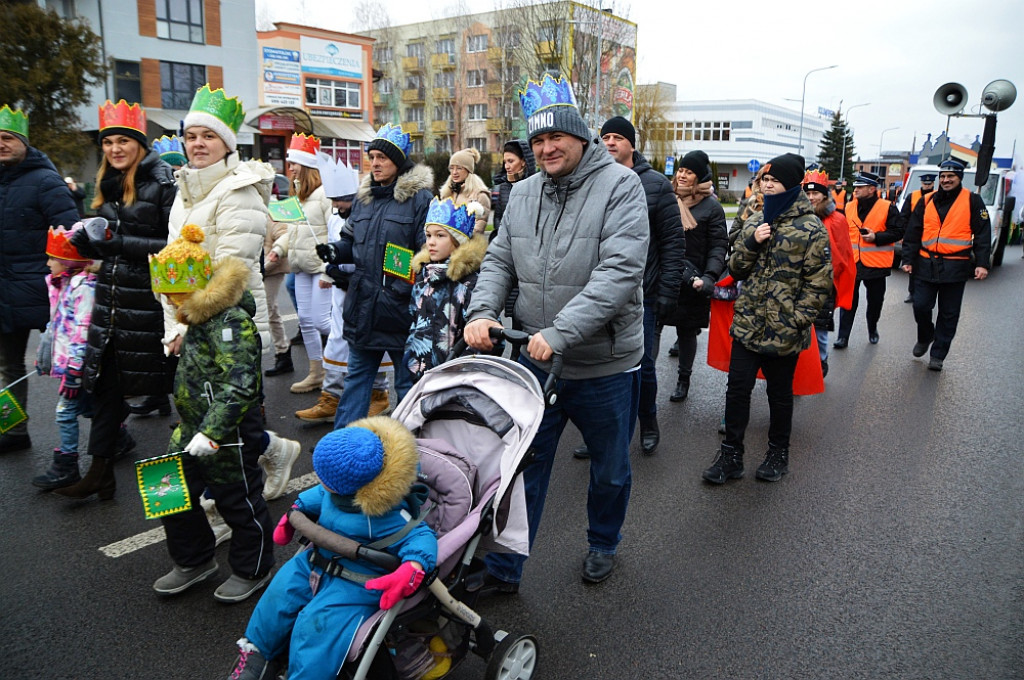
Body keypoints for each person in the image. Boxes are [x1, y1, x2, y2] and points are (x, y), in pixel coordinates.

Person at [463, 73, 648, 587]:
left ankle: (603, 542)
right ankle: (504, 567)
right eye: (537, 141)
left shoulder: (621, 186)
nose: (545, 148)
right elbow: (499, 259)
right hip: (535, 362)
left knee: (609, 468)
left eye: (555, 139)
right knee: (523, 467)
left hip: (602, 362)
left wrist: (562, 331)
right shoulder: (521, 194)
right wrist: (481, 312)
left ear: (581, 138)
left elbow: (620, 271)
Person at [163, 85, 299, 501]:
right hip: (189, 323)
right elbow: (173, 268)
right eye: (192, 136)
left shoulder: (238, 190)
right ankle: (273, 451)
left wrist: (187, 323)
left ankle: (233, 511)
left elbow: (229, 273)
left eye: (209, 136)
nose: (198, 144)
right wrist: (172, 324)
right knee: (208, 417)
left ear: (226, 143)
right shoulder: (184, 191)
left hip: (227, 328)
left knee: (224, 421)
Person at [225, 419, 437, 680]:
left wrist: (413, 566)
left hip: (357, 581)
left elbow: (419, 535)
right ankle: (257, 655)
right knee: (278, 595)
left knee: (316, 627)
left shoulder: (389, 514)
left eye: (324, 479)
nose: (320, 482)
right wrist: (296, 512)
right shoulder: (338, 490)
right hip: (316, 560)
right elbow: (318, 496)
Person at [149, 225, 275, 603]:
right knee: (165, 489)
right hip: (190, 425)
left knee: (237, 499)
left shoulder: (231, 323)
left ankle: (254, 568)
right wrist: (182, 337)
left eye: (175, 295)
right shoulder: (198, 318)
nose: (171, 303)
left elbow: (239, 384)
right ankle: (194, 559)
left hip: (226, 429)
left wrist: (213, 432)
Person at [57, 100, 175, 499]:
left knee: (177, 388)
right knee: (106, 389)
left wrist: (116, 244)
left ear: (139, 144)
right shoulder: (107, 183)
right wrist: (85, 244)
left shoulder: (162, 181)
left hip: (150, 304)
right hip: (111, 304)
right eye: (108, 142)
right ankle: (99, 471)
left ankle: (212, 477)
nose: (114, 149)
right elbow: (110, 241)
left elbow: (173, 246)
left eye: (123, 140)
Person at [702, 153, 831, 485]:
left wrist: (796, 320)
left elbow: (819, 281)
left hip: (784, 329)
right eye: (764, 180)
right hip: (748, 323)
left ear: (790, 184)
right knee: (737, 389)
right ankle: (731, 455)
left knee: (779, 394)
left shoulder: (810, 226)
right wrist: (751, 241)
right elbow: (738, 267)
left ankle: (778, 454)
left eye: (774, 180)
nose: (767, 184)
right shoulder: (756, 217)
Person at [316, 123, 434, 430]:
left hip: (400, 311)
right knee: (356, 380)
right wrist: (335, 252)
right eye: (372, 156)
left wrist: (398, 290)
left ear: (398, 162)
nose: (375, 163)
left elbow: (427, 252)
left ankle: (415, 456)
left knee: (407, 387)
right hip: (363, 306)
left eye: (382, 157)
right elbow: (351, 240)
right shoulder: (363, 197)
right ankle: (341, 447)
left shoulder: (419, 199)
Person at [583, 115, 684, 456]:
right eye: (605, 137)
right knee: (597, 364)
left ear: (632, 144)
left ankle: (649, 422)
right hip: (598, 292)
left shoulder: (655, 184)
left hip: (645, 294)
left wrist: (668, 290)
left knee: (644, 366)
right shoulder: (591, 181)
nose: (610, 142)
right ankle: (600, 434)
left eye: (617, 137)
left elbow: (672, 243)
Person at [0, 104, 80, 453]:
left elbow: (71, 234)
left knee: (70, 365)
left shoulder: (46, 180)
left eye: (7, 138)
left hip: (46, 290)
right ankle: (14, 431)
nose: (1, 144)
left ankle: (109, 433)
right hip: (5, 291)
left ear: (23, 141)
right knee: (9, 365)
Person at [295, 154, 394, 423]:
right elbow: (337, 245)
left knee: (374, 345)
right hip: (342, 294)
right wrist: (331, 264)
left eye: (342, 200)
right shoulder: (335, 217)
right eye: (334, 201)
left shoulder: (371, 215)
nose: (337, 206)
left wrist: (353, 275)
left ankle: (378, 395)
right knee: (338, 343)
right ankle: (332, 397)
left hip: (367, 292)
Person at [901, 158, 990, 371]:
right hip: (925, 263)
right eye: (943, 176)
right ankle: (925, 335)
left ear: (959, 178)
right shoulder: (927, 200)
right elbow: (913, 232)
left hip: (956, 265)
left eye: (950, 176)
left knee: (949, 313)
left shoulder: (973, 201)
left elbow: (983, 234)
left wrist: (982, 263)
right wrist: (907, 259)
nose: (946, 180)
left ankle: (938, 355)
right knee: (921, 305)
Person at [31, 226, 98, 489]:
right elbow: (56, 326)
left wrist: (73, 370)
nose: (48, 264)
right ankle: (118, 437)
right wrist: (46, 356)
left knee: (65, 412)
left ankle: (67, 464)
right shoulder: (62, 284)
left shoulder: (84, 289)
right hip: (72, 363)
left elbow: (82, 331)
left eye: (52, 258)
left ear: (69, 262)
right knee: (91, 408)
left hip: (77, 365)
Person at [665, 149, 728, 404]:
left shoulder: (711, 207)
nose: (682, 175)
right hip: (665, 276)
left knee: (687, 332)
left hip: (694, 281)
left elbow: (718, 246)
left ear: (699, 177)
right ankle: (646, 379)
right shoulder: (667, 199)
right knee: (652, 328)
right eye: (681, 169)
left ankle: (684, 379)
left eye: (689, 172)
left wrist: (710, 276)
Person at [404, 197, 487, 381]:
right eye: (428, 235)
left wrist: (463, 368)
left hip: (457, 379)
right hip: (421, 374)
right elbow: (414, 318)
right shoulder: (423, 277)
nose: (431, 242)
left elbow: (486, 336)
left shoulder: (470, 284)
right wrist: (411, 354)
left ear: (457, 242)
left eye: (440, 235)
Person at [279, 133, 333, 395]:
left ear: (307, 165)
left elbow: (335, 235)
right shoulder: (296, 194)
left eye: (293, 164)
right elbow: (293, 232)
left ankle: (343, 366)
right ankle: (316, 373)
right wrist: (278, 250)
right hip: (300, 267)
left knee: (323, 322)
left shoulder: (324, 195)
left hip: (320, 269)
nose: (289, 169)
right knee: (306, 320)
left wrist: (329, 271)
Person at [834, 171, 902, 348]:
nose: (855, 190)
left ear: (872, 189)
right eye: (855, 187)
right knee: (848, 301)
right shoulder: (849, 207)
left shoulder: (888, 207)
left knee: (875, 303)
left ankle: (872, 328)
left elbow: (898, 231)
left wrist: (877, 237)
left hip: (876, 265)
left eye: (860, 187)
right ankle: (843, 337)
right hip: (852, 262)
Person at [802, 169, 855, 378]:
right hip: (800, 280)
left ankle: (820, 361)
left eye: (815, 193)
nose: (811, 197)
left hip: (824, 283)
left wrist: (825, 276)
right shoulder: (799, 216)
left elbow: (842, 255)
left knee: (820, 327)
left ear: (824, 194)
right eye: (808, 193)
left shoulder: (837, 220)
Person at [262, 213, 293, 376]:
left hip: (272, 269)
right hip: (256, 271)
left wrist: (265, 265)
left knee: (269, 310)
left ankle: (283, 353)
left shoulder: (272, 211)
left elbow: (284, 236)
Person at [900, 172, 935, 303]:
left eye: (929, 184)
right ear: (921, 183)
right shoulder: (912, 196)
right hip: (914, 235)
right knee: (912, 264)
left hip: (930, 236)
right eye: (925, 184)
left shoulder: (936, 196)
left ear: (933, 184)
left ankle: (926, 293)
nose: (927, 186)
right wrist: (904, 234)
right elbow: (904, 216)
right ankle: (912, 292)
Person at [439, 147, 491, 236]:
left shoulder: (480, 196)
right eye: (451, 168)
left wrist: (455, 240)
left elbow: (477, 229)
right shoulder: (447, 194)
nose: (454, 172)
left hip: (468, 248)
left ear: (468, 170)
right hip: (446, 247)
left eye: (459, 168)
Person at [490, 139, 535, 238]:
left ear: (523, 161)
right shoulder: (503, 187)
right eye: (505, 162)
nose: (506, 166)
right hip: (505, 244)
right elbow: (497, 217)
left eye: (511, 161)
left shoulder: (535, 186)